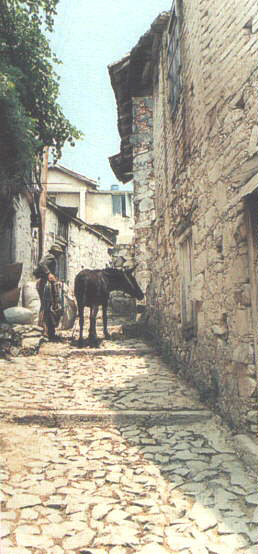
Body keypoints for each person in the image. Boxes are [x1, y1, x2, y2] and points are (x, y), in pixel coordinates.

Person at [34, 244, 64, 340]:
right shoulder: (51, 257)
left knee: (49, 306)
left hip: (48, 283)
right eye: (59, 254)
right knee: (48, 307)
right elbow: (41, 263)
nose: (59, 256)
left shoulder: (53, 258)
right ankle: (46, 332)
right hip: (46, 284)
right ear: (55, 252)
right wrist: (48, 273)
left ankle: (49, 332)